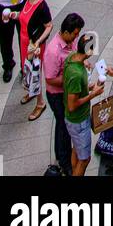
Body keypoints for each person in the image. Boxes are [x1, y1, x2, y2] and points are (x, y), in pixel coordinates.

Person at [43, 13, 83, 174]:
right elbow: (50, 79)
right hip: (56, 95)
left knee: (65, 124)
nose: (76, 37)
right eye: (75, 33)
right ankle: (63, 158)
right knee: (62, 125)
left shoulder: (70, 43)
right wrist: (72, 77)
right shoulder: (53, 51)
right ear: (66, 32)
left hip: (66, 91)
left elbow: (74, 56)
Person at [63, 33, 103, 176]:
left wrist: (90, 87)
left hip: (74, 121)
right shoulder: (77, 74)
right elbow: (73, 105)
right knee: (85, 159)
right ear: (89, 51)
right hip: (78, 121)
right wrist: (93, 94)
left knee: (76, 149)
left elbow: (76, 90)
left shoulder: (71, 59)